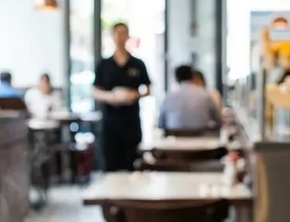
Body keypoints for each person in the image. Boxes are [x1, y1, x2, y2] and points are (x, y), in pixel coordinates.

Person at [93, 23, 151, 172]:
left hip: (131, 121)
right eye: (117, 33)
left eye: (123, 33)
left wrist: (135, 95)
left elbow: (148, 88)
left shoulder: (137, 64)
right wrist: (110, 97)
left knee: (131, 163)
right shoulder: (104, 65)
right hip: (110, 122)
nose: (120, 37)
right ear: (112, 36)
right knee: (110, 165)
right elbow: (96, 91)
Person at [158, 65, 221, 132]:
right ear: (192, 77)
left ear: (176, 78)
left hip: (175, 137)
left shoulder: (168, 97)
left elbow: (161, 124)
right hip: (201, 137)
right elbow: (218, 120)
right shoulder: (204, 95)